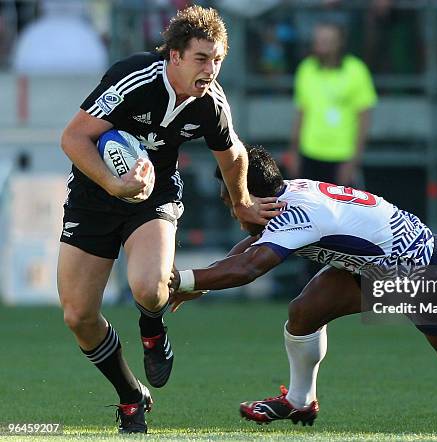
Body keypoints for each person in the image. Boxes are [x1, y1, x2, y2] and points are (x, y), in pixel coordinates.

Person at [169, 146, 437, 433]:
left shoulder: (296, 214)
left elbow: (251, 266)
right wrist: (201, 282)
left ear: (252, 195)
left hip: (423, 269)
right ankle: (299, 402)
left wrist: (183, 280)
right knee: (305, 312)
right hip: (375, 270)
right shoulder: (283, 196)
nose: (230, 205)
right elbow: (252, 248)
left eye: (232, 197)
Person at [58, 6, 282, 434]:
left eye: (217, 60)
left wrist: (242, 203)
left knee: (150, 285)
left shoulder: (211, 103)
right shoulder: (134, 78)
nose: (211, 69)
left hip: (153, 196)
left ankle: (152, 328)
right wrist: (112, 182)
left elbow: (233, 154)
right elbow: (73, 137)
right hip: (94, 194)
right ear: (174, 56)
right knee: (78, 316)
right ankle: (130, 397)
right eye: (202, 59)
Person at [285, 21, 376, 188]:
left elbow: (364, 119)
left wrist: (354, 161)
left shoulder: (356, 70)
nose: (321, 46)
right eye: (318, 41)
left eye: (327, 41)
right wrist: (294, 152)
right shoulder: (306, 69)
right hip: (309, 153)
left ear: (339, 43)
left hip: (342, 156)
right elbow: (301, 113)